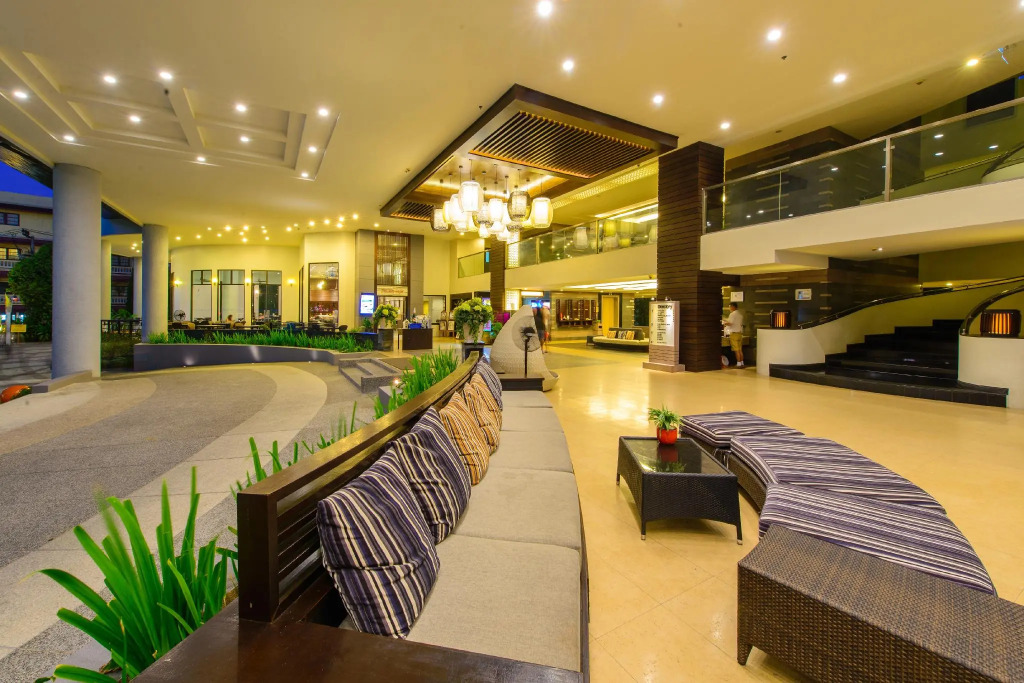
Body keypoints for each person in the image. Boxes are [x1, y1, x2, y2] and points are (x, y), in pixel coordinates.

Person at [723, 303, 745, 367]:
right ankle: (742, 363)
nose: (729, 308)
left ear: (733, 307)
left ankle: (738, 363)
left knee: (736, 350)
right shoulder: (740, 315)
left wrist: (724, 323)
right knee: (740, 350)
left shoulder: (732, 314)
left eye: (730, 307)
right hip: (739, 333)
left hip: (734, 334)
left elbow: (730, 323)